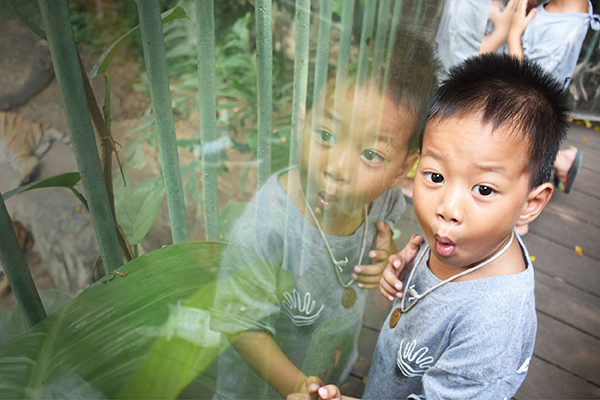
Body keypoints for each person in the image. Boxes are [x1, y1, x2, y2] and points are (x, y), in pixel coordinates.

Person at [292, 53, 569, 399]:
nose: (447, 209)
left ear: (530, 204)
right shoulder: (459, 241)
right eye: (435, 176)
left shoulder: (496, 325)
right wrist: (400, 275)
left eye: (483, 190)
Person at [209, 29, 439, 400]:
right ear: (303, 121)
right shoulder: (267, 227)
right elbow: (240, 323)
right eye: (327, 135)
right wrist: (296, 385)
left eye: (370, 155)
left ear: (401, 170)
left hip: (329, 374)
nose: (336, 168)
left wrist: (388, 259)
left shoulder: (384, 199)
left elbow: (386, 243)